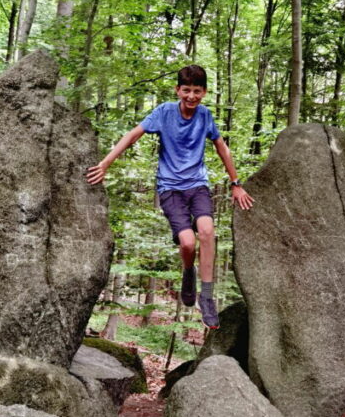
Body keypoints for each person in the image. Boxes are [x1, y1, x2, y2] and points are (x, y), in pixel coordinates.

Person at [86, 64, 253, 329]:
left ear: (204, 93)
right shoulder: (164, 112)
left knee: (207, 231)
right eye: (186, 90)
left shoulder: (205, 116)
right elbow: (132, 136)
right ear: (178, 90)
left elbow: (222, 148)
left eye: (197, 91)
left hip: (197, 185)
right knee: (188, 243)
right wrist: (105, 164)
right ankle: (189, 272)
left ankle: (207, 296)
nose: (191, 96)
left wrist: (236, 183)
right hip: (170, 188)